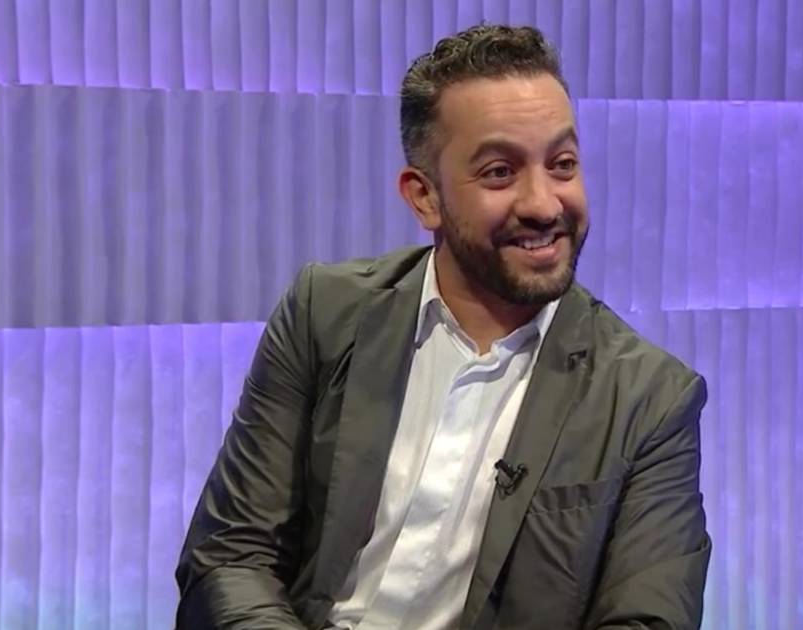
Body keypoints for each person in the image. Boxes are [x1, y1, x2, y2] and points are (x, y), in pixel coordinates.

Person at [175, 24, 710, 629]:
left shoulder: (649, 400)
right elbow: (230, 555)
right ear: (424, 197)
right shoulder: (325, 314)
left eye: (562, 164)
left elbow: (646, 620)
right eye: (500, 172)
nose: (544, 203)